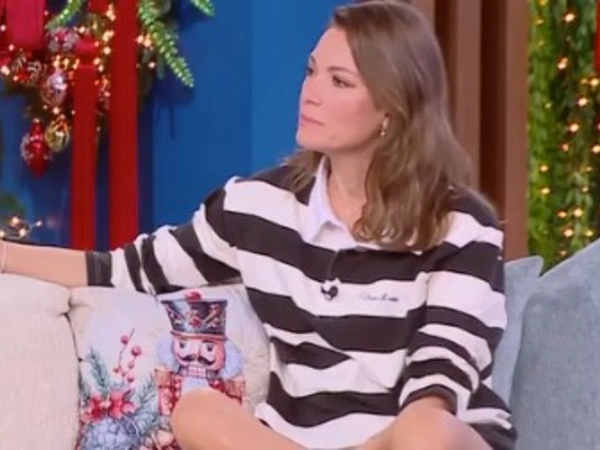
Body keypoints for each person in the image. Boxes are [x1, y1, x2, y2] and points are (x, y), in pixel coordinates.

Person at [0, 1, 516, 449]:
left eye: (339, 81)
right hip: (298, 442)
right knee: (197, 410)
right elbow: (126, 270)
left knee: (426, 431)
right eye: (311, 71)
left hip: (414, 438)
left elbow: (437, 383)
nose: (310, 92)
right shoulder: (257, 206)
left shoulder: (460, 225)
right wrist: (5, 253)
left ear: (392, 111)